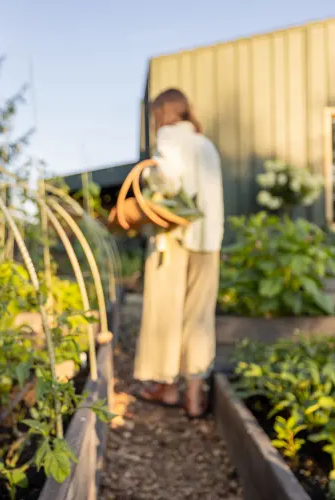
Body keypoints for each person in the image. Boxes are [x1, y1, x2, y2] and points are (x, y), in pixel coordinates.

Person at [133, 88, 224, 419]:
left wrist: (148, 174)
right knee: (199, 317)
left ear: (163, 111)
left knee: (166, 313)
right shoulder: (206, 144)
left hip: (174, 237)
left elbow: (168, 180)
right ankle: (194, 396)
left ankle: (168, 387)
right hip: (209, 239)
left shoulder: (170, 135)